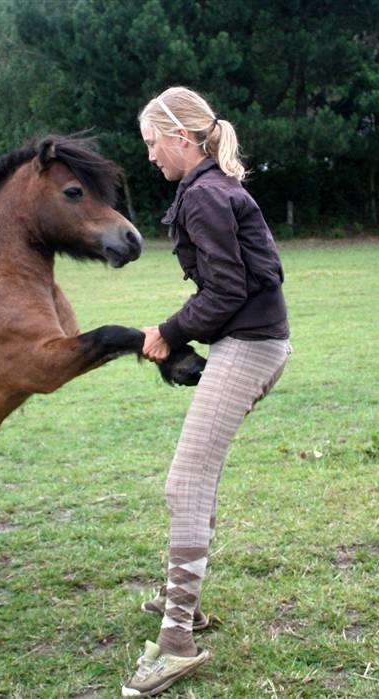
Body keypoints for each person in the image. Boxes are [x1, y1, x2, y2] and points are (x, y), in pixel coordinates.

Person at [122, 86, 291, 697]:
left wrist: (168, 333)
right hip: (253, 342)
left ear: (182, 138)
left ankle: (176, 644)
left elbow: (226, 291)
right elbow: (241, 284)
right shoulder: (211, 189)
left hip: (251, 347)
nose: (149, 157)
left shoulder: (207, 196)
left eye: (151, 143)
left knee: (185, 481)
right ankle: (183, 609)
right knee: (197, 477)